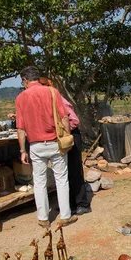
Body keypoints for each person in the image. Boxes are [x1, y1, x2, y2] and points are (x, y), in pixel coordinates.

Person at [14, 66, 77, 228]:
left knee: (39, 182)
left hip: (35, 145)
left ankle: (43, 218)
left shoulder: (20, 98)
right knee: (61, 179)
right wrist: (68, 137)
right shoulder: (52, 92)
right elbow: (64, 117)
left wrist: (22, 150)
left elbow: (20, 128)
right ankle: (65, 215)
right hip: (55, 142)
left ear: (25, 80)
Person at [37, 77, 91, 215]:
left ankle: (82, 204)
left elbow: (73, 120)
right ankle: (68, 204)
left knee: (74, 170)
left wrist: (64, 134)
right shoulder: (46, 101)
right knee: (63, 173)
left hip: (70, 135)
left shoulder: (58, 99)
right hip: (60, 137)